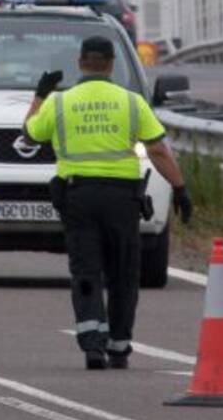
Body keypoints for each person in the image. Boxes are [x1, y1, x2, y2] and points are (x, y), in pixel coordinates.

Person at [23, 36, 192, 371]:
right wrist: (179, 188)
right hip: (122, 199)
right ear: (112, 64)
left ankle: (92, 345)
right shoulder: (131, 102)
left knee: (86, 270)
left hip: (78, 197)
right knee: (123, 272)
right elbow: (157, 150)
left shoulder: (59, 102)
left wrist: (40, 95)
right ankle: (119, 345)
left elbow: (29, 134)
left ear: (80, 62)